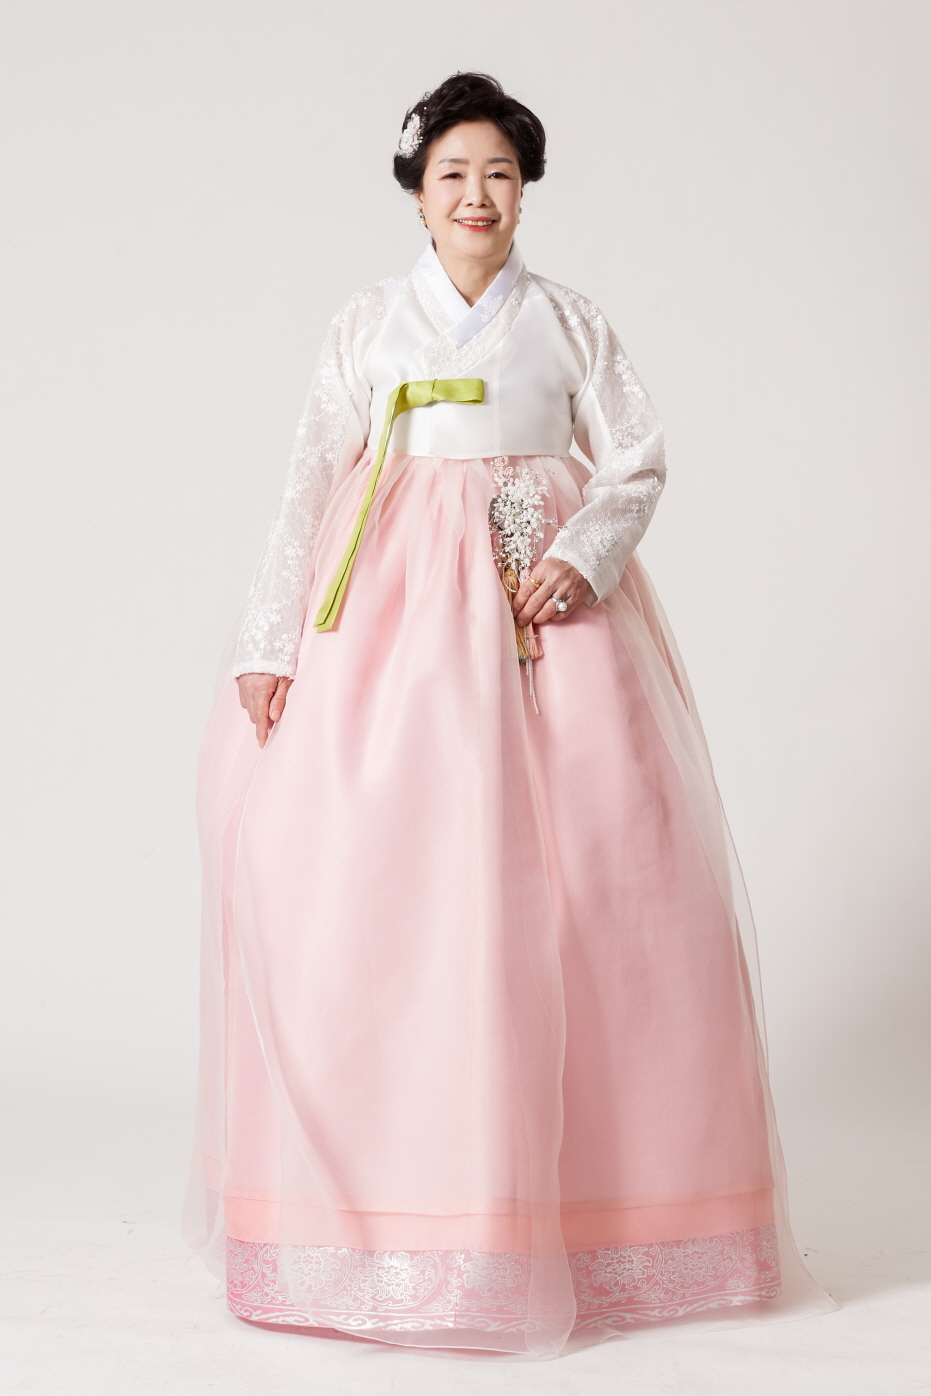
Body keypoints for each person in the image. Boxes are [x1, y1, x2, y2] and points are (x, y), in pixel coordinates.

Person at [185, 72, 829, 1357]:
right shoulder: (366, 324)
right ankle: (389, 1214)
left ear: (525, 189)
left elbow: (636, 456)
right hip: (388, 623)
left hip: (542, 607)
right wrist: (269, 641)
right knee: (380, 880)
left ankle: (605, 1213)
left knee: (604, 874)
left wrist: (584, 552)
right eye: (452, 176)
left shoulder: (567, 321)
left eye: (498, 174)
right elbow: (309, 478)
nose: (476, 196)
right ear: (417, 196)